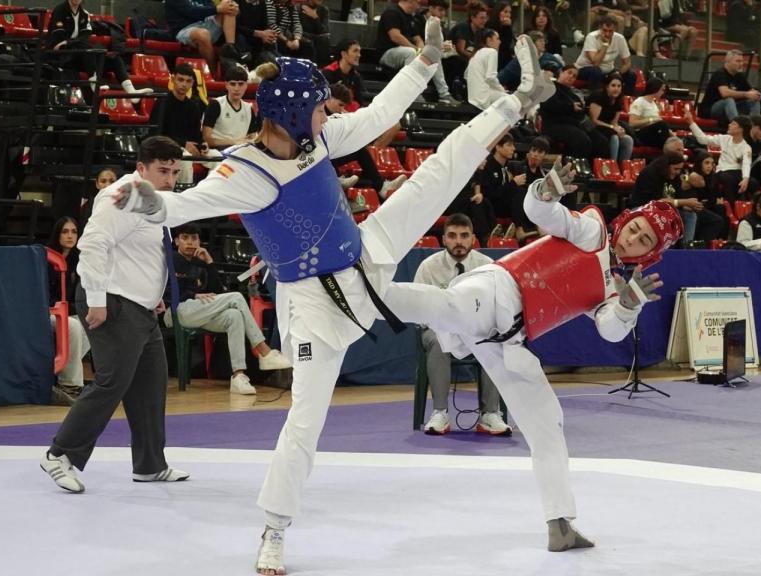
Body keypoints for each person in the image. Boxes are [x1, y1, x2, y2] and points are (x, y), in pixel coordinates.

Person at [114, 30, 555, 575]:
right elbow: (186, 204)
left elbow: (377, 115)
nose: (329, 114)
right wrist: (146, 200)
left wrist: (425, 63)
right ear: (294, 114)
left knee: (440, 171)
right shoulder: (246, 174)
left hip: (365, 256)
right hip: (314, 306)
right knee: (306, 416)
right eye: (321, 107)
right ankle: (274, 530)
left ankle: (516, 100)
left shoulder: (313, 140)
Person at [383, 165, 682, 555]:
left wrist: (628, 306)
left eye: (644, 240)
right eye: (635, 228)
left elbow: (610, 329)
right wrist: (546, 191)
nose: (633, 239)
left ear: (651, 253)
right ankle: (362, 293)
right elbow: (543, 215)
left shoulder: (615, 287)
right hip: (496, 289)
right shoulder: (593, 230)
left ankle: (560, 524)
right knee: (448, 306)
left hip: (509, 339)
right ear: (626, 220)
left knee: (546, 421)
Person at [40, 135, 191, 495]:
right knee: (112, 381)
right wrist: (96, 300)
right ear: (141, 168)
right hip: (112, 301)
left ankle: (150, 465)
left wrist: (154, 295)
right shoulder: (120, 198)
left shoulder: (154, 200)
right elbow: (92, 245)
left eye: (174, 171)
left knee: (151, 383)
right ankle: (59, 454)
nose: (169, 179)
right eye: (162, 171)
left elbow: (144, 251)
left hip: (138, 304)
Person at [166, 224, 291, 394]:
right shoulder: (171, 259)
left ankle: (238, 376)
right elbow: (166, 290)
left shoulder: (200, 261)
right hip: (175, 310)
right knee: (237, 297)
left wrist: (209, 263)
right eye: (185, 238)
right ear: (176, 241)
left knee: (234, 316)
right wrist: (193, 295)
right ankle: (264, 351)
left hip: (201, 313)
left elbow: (218, 292)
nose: (190, 242)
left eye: (194, 238)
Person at [416, 213, 510, 436]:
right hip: (440, 329)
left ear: (473, 239)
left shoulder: (488, 267)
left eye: (464, 236)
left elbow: (498, 308)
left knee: (494, 342)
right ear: (444, 239)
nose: (458, 241)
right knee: (438, 342)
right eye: (452, 236)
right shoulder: (428, 267)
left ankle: (490, 415)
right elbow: (418, 311)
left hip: (476, 330)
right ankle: (440, 413)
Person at [47, 0, 142, 102]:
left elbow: (84, 36)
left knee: (114, 58)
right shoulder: (60, 10)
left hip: (79, 54)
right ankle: (95, 85)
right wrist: (70, 43)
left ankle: (131, 92)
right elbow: (58, 37)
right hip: (62, 55)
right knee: (87, 49)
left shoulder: (84, 14)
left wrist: (69, 42)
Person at [325, 84, 407, 198]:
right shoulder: (318, 112)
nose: (341, 109)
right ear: (329, 99)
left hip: (330, 155)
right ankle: (335, 178)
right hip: (317, 157)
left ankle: (381, 187)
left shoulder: (337, 116)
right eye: (340, 105)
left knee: (360, 150)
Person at [629, 152, 724, 244]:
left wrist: (688, 206)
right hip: (643, 208)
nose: (678, 172)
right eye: (675, 169)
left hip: (668, 209)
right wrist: (684, 202)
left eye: (680, 169)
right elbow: (656, 202)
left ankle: (691, 248)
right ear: (666, 166)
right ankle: (679, 249)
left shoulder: (675, 176)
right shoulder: (650, 173)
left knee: (700, 217)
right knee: (682, 216)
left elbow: (678, 196)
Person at [377, 0, 458, 105]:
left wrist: (423, 51)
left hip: (406, 51)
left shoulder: (411, 17)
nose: (419, 6)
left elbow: (417, 39)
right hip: (387, 53)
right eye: (418, 2)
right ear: (411, 1)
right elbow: (395, 36)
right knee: (410, 52)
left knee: (433, 53)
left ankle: (444, 94)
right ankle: (413, 93)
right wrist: (416, 50)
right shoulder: (392, 12)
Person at [47, 216, 91, 402]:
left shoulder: (81, 260)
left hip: (70, 310)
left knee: (90, 323)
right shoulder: (45, 259)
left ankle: (64, 378)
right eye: (65, 231)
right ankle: (70, 385)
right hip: (47, 311)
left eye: (74, 232)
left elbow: (82, 296)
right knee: (71, 325)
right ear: (57, 234)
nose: (70, 236)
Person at [686, 111, 753, 203]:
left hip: (736, 173)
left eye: (733, 124)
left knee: (753, 183)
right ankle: (730, 207)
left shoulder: (746, 147)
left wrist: (746, 178)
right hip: (722, 172)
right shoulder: (724, 138)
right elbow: (703, 139)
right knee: (727, 179)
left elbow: (746, 163)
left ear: (741, 129)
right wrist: (691, 122)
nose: (729, 125)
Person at [166, 0, 245, 69]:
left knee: (229, 7)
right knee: (203, 34)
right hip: (184, 29)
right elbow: (191, 12)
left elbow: (210, 9)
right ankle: (212, 72)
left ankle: (230, 51)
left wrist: (231, 7)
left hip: (204, 23)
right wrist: (218, 9)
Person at [154, 63, 208, 158]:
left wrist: (203, 145)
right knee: (185, 159)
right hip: (168, 148)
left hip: (189, 149)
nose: (184, 84)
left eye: (188, 81)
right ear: (173, 79)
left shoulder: (193, 106)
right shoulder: (162, 102)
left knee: (217, 158)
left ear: (192, 83)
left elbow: (197, 135)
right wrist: (183, 144)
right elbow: (157, 135)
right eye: (181, 80)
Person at [539, 65, 593, 159]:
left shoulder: (574, 96)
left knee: (599, 139)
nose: (571, 76)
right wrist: (570, 107)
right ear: (561, 73)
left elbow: (580, 114)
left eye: (574, 76)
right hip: (553, 125)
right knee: (581, 139)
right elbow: (549, 105)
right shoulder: (550, 88)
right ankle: (574, 167)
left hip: (571, 125)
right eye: (569, 72)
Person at [698, 50, 761, 127]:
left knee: (754, 101)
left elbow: (750, 91)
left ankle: (751, 128)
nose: (741, 64)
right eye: (738, 61)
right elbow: (725, 93)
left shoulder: (739, 75)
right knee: (729, 100)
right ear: (728, 61)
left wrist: (757, 95)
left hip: (731, 107)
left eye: (742, 61)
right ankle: (737, 127)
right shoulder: (720, 74)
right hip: (711, 109)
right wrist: (746, 94)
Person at [203, 66, 261, 150]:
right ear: (226, 85)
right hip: (217, 153)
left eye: (240, 84)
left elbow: (253, 137)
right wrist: (234, 142)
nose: (236, 89)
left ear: (246, 85)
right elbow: (206, 139)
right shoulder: (215, 104)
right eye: (233, 84)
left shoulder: (249, 108)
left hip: (240, 152)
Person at [575, 16, 636, 94]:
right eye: (605, 30)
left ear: (615, 30)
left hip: (608, 71)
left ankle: (624, 101)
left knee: (631, 74)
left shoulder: (620, 38)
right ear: (600, 28)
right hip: (585, 69)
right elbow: (595, 62)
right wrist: (605, 44)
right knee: (596, 71)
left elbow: (627, 63)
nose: (607, 34)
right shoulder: (591, 37)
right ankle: (593, 100)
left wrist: (618, 74)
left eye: (610, 31)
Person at [682, 149, 728, 243]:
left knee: (722, 210)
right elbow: (697, 198)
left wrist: (713, 201)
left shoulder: (712, 177)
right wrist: (712, 200)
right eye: (706, 163)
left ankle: (719, 242)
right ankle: (700, 244)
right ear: (700, 163)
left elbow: (715, 197)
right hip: (693, 208)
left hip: (706, 206)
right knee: (717, 220)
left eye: (712, 164)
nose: (709, 166)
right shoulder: (693, 176)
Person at [587, 72, 633, 163]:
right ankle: (612, 166)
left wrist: (619, 129)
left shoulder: (619, 100)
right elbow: (594, 121)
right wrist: (613, 128)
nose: (616, 89)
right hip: (594, 127)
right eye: (613, 85)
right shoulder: (598, 96)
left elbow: (614, 122)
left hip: (608, 128)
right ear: (607, 87)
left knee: (628, 139)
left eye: (619, 86)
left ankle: (623, 169)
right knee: (614, 137)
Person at [628, 77, 673, 149]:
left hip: (653, 133)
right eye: (662, 90)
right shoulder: (640, 102)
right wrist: (651, 120)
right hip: (641, 134)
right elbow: (632, 123)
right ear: (655, 89)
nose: (663, 92)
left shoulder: (654, 103)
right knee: (661, 124)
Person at [465, 28, 504, 110]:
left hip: (473, 98)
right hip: (484, 97)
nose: (499, 42)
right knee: (513, 100)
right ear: (489, 40)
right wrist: (501, 89)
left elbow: (466, 75)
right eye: (497, 39)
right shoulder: (491, 52)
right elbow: (490, 77)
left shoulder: (475, 54)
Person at [322, 39, 366, 110]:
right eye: (355, 51)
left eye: (359, 52)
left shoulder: (356, 77)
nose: (359, 55)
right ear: (344, 54)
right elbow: (326, 102)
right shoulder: (328, 73)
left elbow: (359, 102)